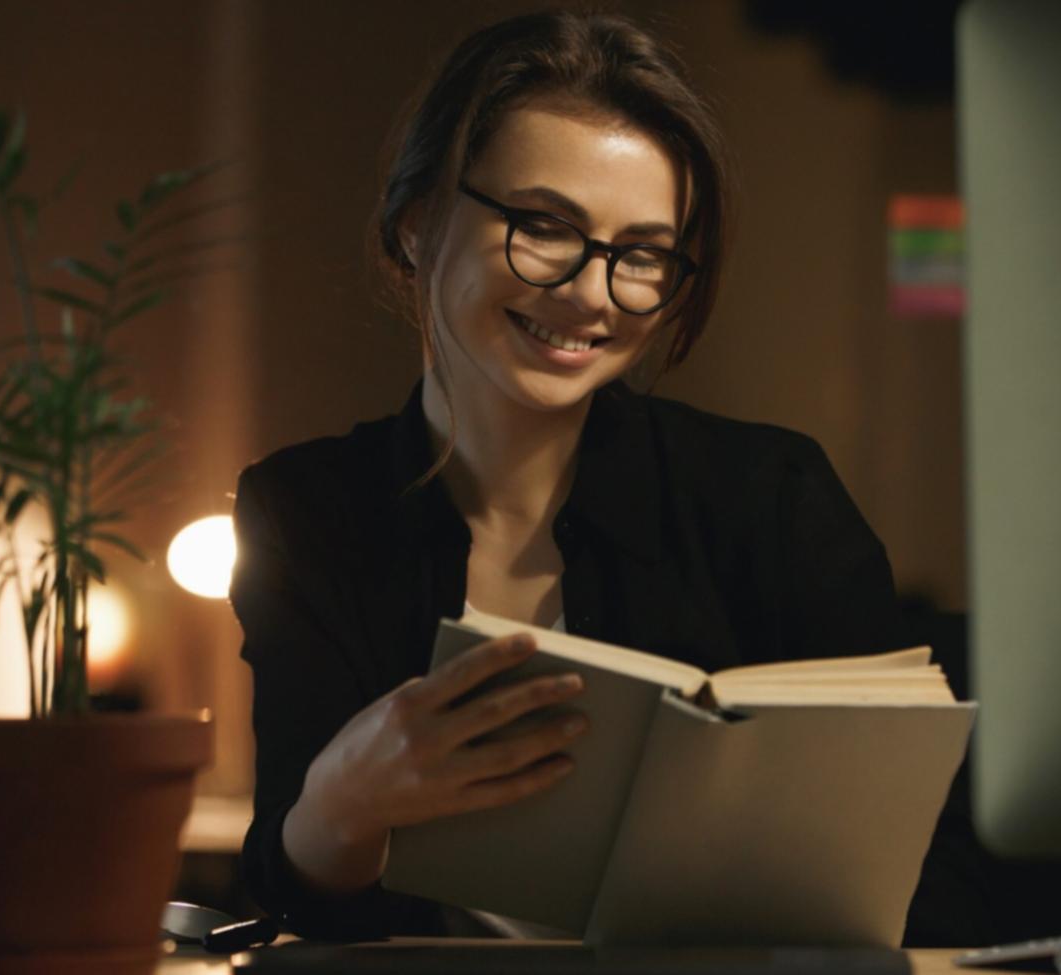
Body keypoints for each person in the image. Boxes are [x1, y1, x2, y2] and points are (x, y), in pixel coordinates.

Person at [232, 9, 985, 945]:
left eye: (642, 255)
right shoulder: (307, 510)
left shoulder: (768, 499)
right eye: (545, 227)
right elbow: (294, 898)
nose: (592, 293)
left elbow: (934, 866)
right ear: (419, 222)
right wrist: (344, 799)